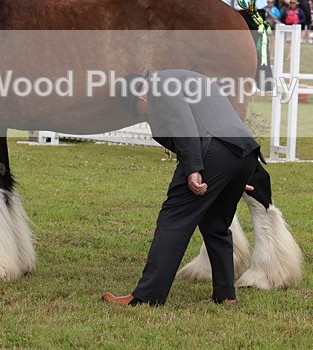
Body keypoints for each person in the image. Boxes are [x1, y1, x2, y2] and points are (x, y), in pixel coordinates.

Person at [102, 69, 261, 307]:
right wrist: (236, 177)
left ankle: (147, 297)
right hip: (244, 152)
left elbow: (182, 120)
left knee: (173, 220)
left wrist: (194, 168)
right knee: (216, 225)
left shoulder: (158, 84)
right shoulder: (187, 79)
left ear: (140, 97)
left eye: (138, 111)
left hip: (213, 151)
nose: (143, 117)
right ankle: (225, 295)